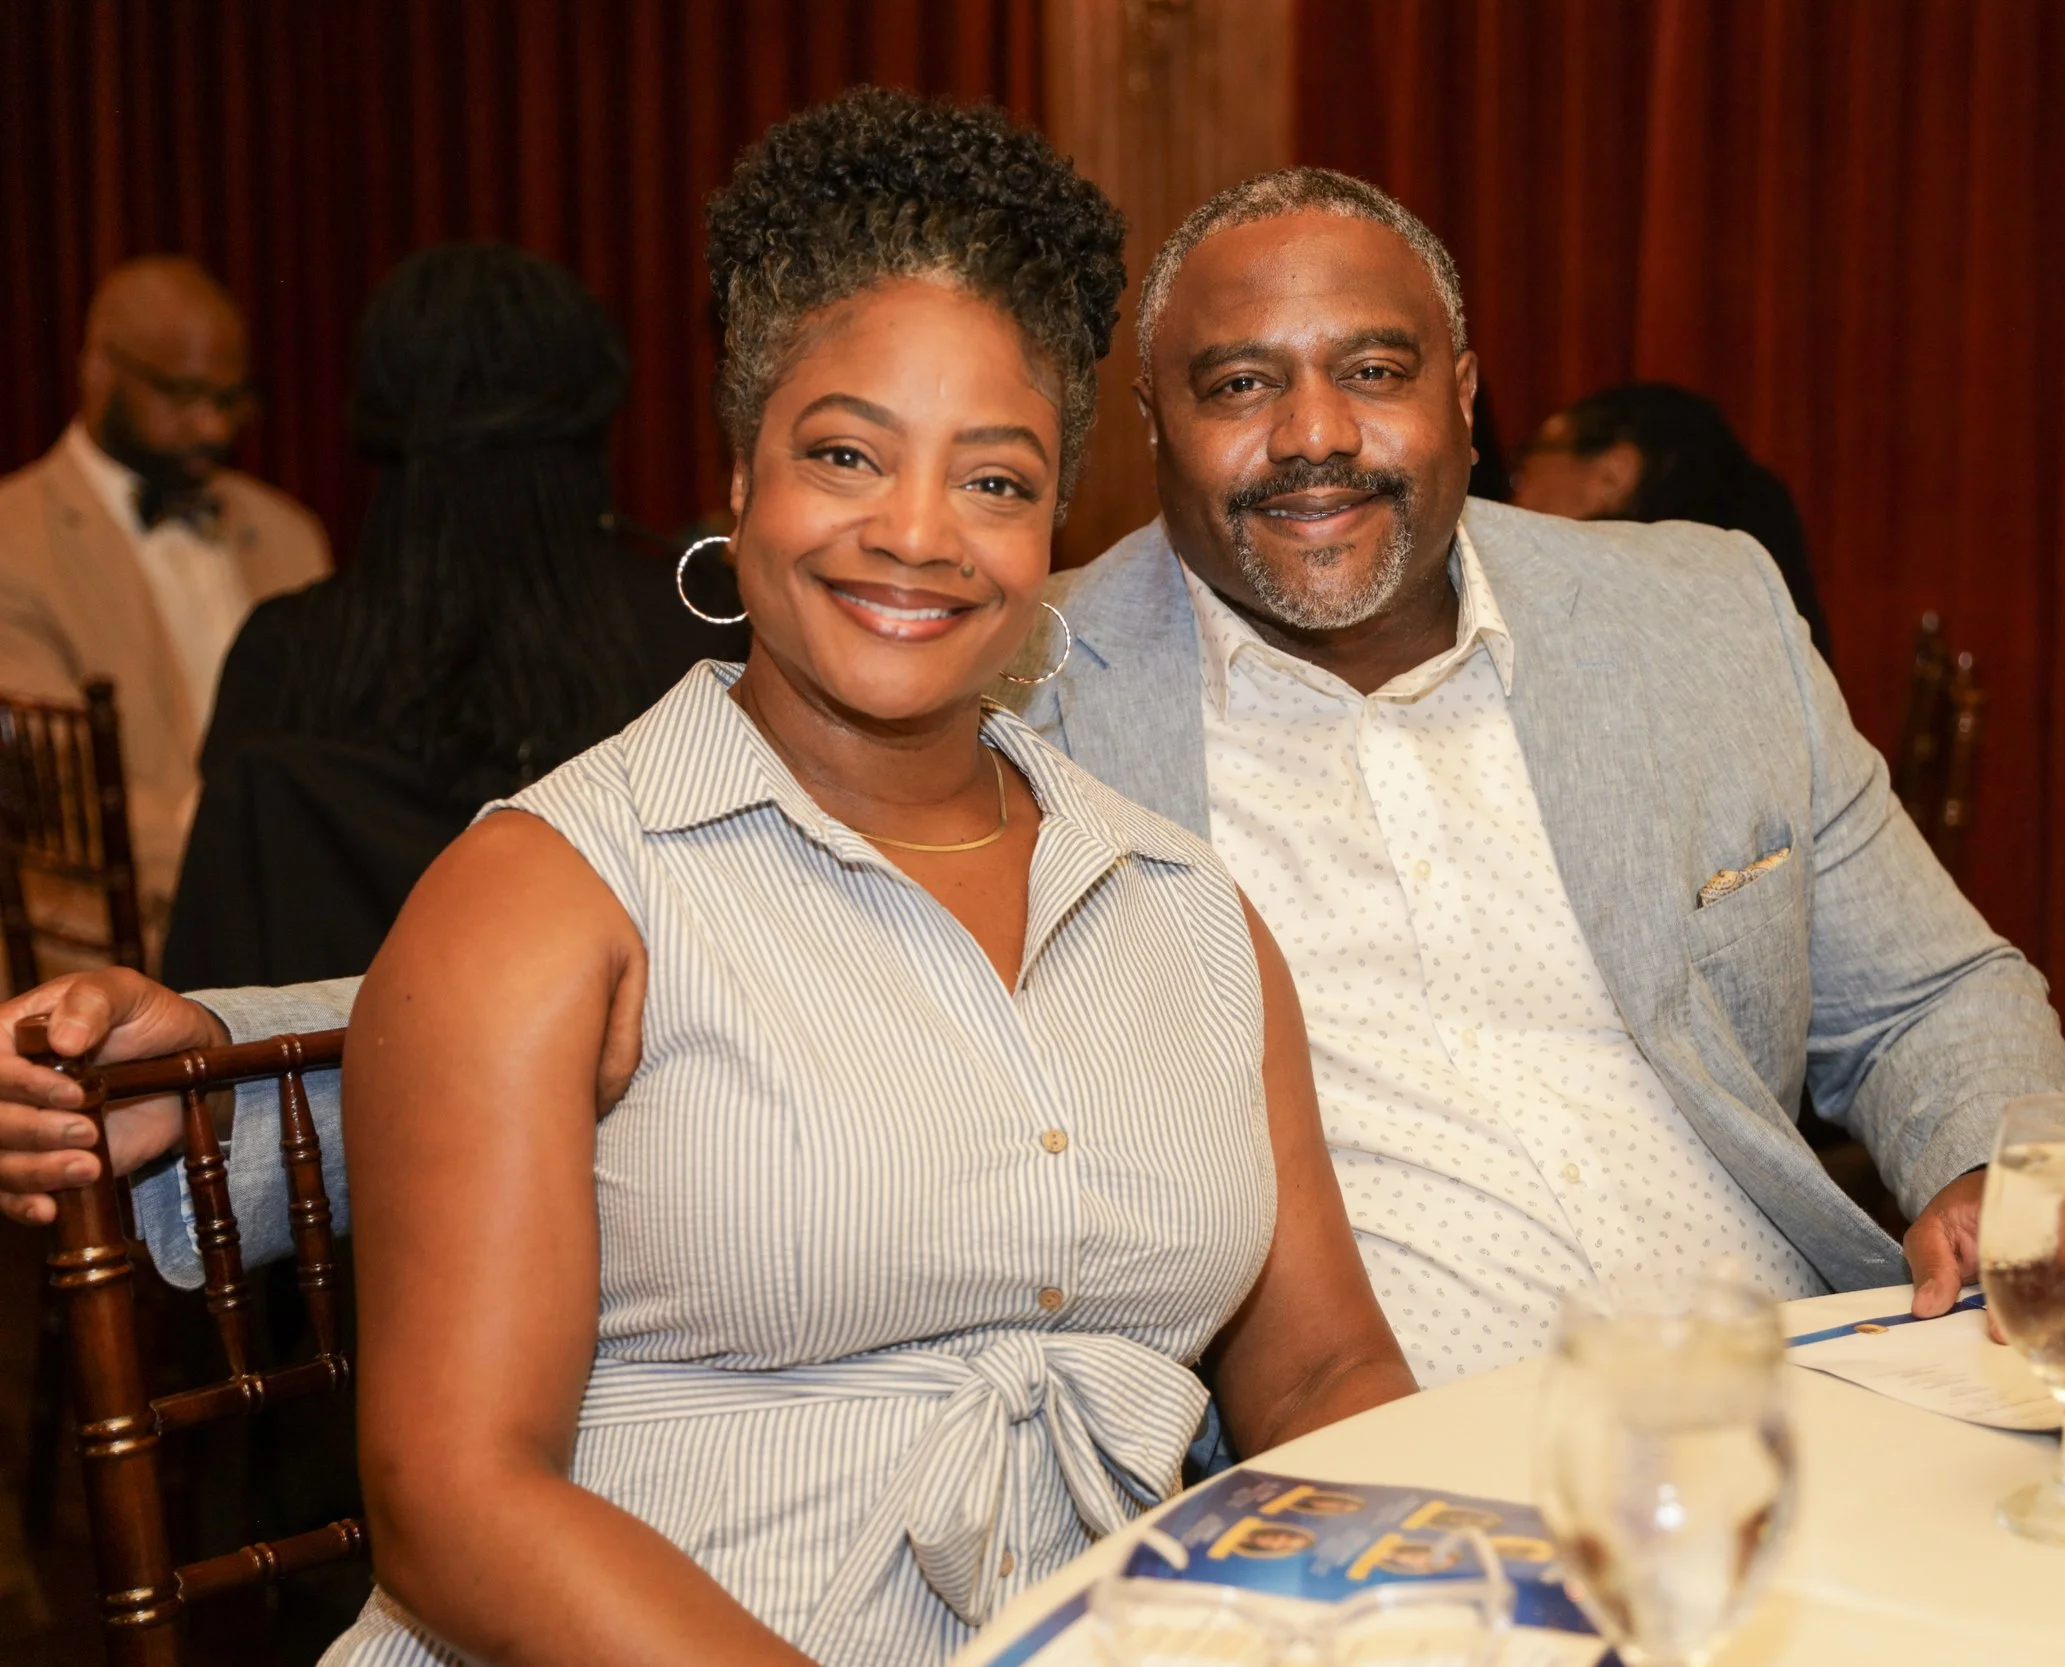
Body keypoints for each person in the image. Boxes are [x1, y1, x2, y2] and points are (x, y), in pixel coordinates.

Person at [0, 169, 2065, 1389]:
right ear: (1147, 443)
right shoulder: (1020, 660)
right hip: (1353, 1465)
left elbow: (1930, 992)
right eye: (1234, 384)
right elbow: (658, 926)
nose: (1312, 433)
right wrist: (229, 1051)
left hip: (1782, 1385)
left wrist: (1994, 1156)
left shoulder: (1690, 612)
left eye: (1367, 366)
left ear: (1464, 387)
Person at [7, 96, 1415, 1667]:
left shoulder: (1181, 905)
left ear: (1052, 529)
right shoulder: (550, 894)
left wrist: (1458, 1604)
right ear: (736, 480)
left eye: (996, 481)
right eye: (845, 454)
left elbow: (1319, 1376)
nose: (917, 534)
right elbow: (457, 1498)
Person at [160, 243, 745, 990]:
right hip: (636, 1092)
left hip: (331, 1095)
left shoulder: (279, 654)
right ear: (595, 409)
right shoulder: (699, 634)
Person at [0, 257, 329, 951]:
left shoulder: (288, 532)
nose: (212, 425)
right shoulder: (14, 541)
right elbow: (63, 798)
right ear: (98, 367)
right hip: (103, 944)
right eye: (181, 394)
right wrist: (250, 854)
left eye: (230, 397)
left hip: (288, 930)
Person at [1508, 381, 1832, 658]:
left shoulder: (1596, 616)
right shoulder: (1763, 612)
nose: (1513, 498)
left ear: (1613, 474)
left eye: (1523, 472)